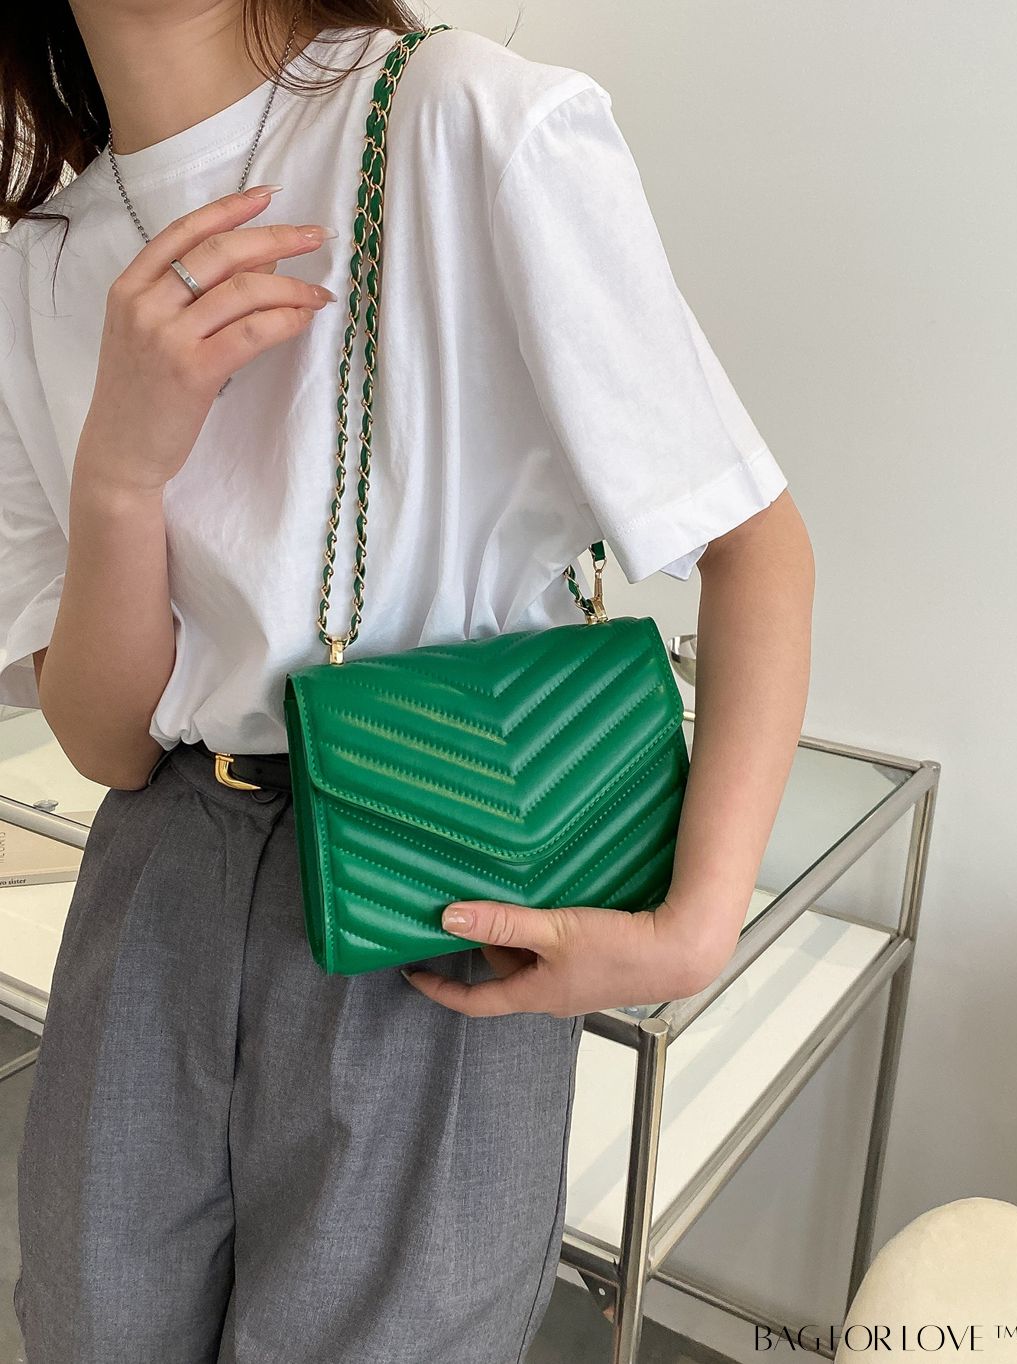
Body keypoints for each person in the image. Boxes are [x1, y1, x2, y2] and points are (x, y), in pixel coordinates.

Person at [0, 3, 815, 1361]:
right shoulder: (38, 260)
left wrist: (699, 924)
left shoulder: (464, 122)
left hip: (434, 880)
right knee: (90, 1328)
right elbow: (108, 743)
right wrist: (121, 480)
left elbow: (756, 547)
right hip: (156, 881)